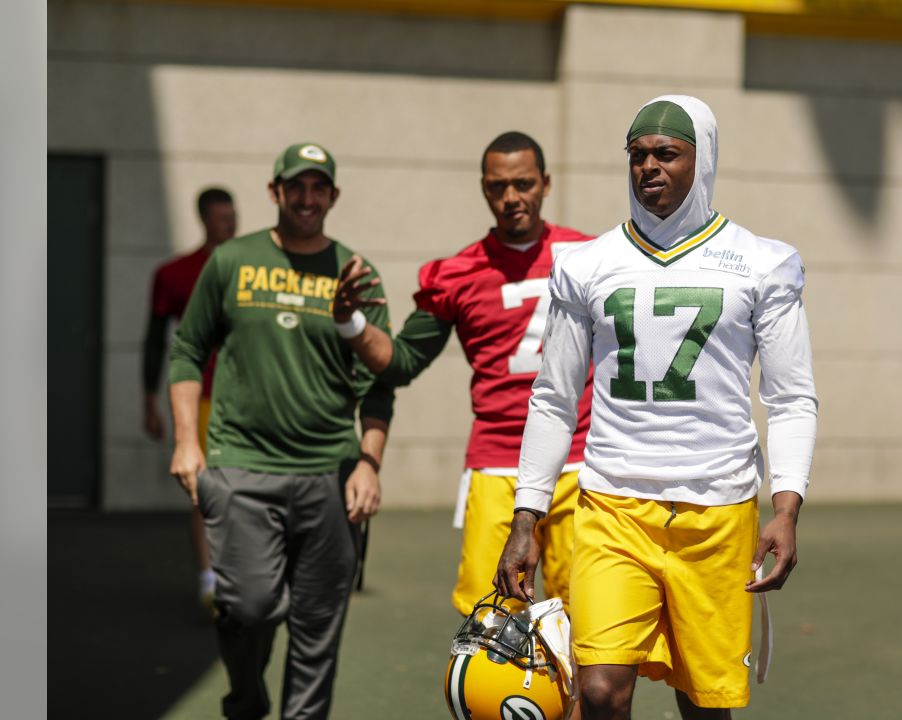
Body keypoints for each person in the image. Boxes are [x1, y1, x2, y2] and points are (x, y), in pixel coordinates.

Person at [493, 96, 819, 720]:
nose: (649, 167)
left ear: (704, 159)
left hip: (717, 511)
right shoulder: (586, 263)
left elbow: (790, 397)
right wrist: (525, 518)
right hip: (613, 505)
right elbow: (555, 398)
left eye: (667, 154)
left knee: (702, 705)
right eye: (638, 155)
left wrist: (787, 505)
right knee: (598, 692)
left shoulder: (762, 262)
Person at [167, 142, 394, 720]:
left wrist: (369, 461)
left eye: (320, 188)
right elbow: (188, 350)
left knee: (318, 629)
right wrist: (187, 440)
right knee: (248, 607)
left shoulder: (355, 273)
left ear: (333, 196)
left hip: (330, 473)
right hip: (241, 465)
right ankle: (245, 696)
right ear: (275, 192)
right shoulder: (231, 261)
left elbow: (378, 381)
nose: (308, 198)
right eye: (298, 186)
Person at [345, 131, 592, 617]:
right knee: (490, 621)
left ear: (545, 183)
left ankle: (575, 700)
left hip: (580, 457)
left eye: (523, 184)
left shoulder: (591, 258)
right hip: (499, 460)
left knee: (585, 623)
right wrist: (349, 322)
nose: (511, 198)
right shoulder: (458, 273)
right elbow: (399, 363)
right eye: (498, 187)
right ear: (483, 188)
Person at [142, 186, 236, 609]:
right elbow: (153, 340)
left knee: (249, 490)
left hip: (247, 399)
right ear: (204, 219)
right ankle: (208, 578)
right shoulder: (175, 274)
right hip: (201, 398)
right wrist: (149, 400)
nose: (228, 223)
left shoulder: (250, 269)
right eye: (220, 217)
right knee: (205, 489)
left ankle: (243, 574)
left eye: (231, 216)